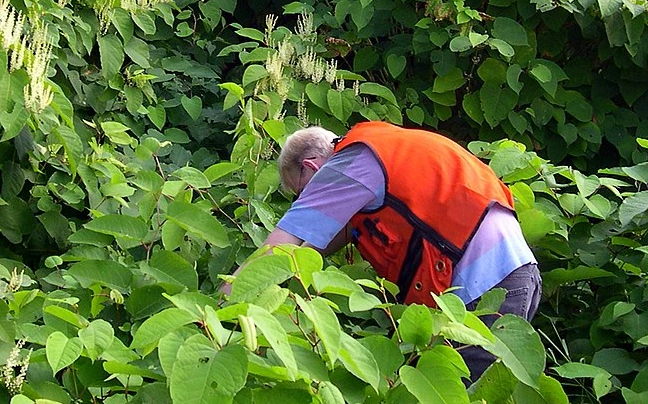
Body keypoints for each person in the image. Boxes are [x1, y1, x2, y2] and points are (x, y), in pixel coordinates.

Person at [224, 120, 540, 383]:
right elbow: (318, 243)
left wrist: (225, 301)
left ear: (312, 167)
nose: (307, 202)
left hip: (482, 287)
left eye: (302, 194)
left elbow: (281, 245)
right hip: (516, 273)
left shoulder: (349, 164)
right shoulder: (382, 147)